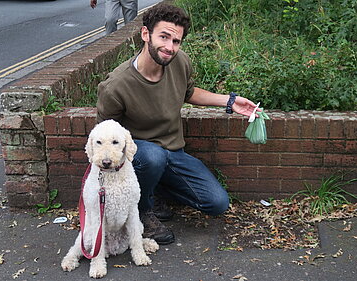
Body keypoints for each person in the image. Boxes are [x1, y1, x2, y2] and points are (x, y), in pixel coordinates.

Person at [96, 3, 259, 245]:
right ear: (145, 34)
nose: (170, 47)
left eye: (176, 41)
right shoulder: (116, 86)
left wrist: (231, 101)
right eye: (163, 37)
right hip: (139, 157)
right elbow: (103, 138)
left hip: (174, 153)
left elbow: (189, 92)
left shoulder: (179, 61)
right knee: (153, 157)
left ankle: (155, 188)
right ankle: (142, 213)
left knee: (216, 203)